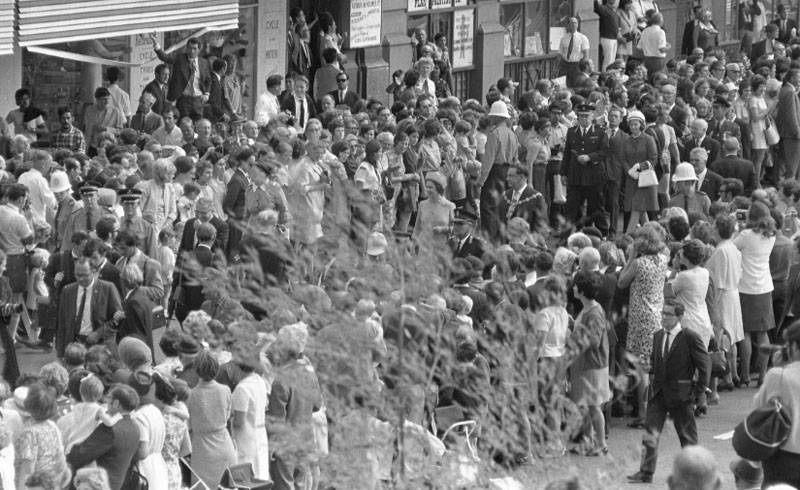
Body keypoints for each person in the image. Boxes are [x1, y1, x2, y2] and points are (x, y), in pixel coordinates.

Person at [627, 299, 711, 484]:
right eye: (663, 313)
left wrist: (697, 392)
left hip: (681, 395)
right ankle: (646, 472)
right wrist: (649, 367)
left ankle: (694, 475)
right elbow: (656, 363)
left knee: (687, 436)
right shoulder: (658, 335)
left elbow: (705, 365)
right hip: (659, 393)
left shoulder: (689, 337)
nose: (664, 317)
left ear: (679, 316)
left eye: (668, 314)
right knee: (650, 431)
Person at [618, 224, 669, 428]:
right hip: (657, 314)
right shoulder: (663, 259)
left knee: (642, 370)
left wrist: (630, 257)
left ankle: (644, 413)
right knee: (655, 366)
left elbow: (622, 282)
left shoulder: (639, 263)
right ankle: (657, 409)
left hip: (640, 318)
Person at [67, 384, 141, 490]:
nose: (106, 401)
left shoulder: (110, 429)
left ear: (116, 403)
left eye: (109, 398)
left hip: (95, 485)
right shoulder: (135, 427)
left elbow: (78, 456)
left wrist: (71, 447)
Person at [753, 320, 800, 488]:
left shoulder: (779, 375)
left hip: (785, 455)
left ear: (794, 346)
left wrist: (778, 367)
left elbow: (759, 406)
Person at [568, 270, 610, 456]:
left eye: (576, 285)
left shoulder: (593, 313)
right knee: (584, 405)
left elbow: (593, 341)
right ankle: (588, 441)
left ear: (582, 291)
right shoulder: (589, 308)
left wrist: (572, 336)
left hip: (591, 365)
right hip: (584, 364)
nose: (573, 287)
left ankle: (600, 443)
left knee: (593, 406)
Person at [735, 201, 777, 386]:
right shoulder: (772, 234)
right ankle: (762, 376)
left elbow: (733, 246)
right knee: (763, 332)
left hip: (745, 287)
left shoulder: (745, 235)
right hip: (764, 287)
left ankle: (744, 374)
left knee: (745, 333)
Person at [186, 350, 237, 490]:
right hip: (225, 446)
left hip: (202, 451)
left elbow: (188, 425)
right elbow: (228, 415)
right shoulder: (225, 390)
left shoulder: (191, 396)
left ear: (197, 370)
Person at [56, 258, 122, 358]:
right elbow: (62, 323)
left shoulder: (107, 288)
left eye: (84, 275)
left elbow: (117, 319)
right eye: (77, 275)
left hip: (99, 346)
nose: (80, 279)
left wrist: (98, 333)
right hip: (75, 345)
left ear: (94, 272)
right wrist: (60, 354)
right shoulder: (68, 290)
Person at [560, 103, 609, 236]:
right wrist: (563, 173)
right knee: (571, 207)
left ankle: (603, 233)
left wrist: (589, 157)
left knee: (596, 207)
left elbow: (604, 152)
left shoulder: (600, 132)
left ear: (592, 116)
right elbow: (567, 155)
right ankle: (565, 236)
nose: (584, 119)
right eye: (581, 116)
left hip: (593, 176)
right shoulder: (572, 132)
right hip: (575, 176)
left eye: (586, 116)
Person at [15, 383, 71, 490]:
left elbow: (27, 471)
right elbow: (60, 457)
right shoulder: (52, 425)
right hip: (50, 483)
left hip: (36, 485)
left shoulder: (29, 433)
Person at [230, 344, 270, 480]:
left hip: (246, 442)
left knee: (248, 480)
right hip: (259, 436)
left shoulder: (242, 389)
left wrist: (229, 420)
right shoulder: (260, 381)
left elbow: (239, 422)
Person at [151, 35, 211, 121]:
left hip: (199, 100)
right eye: (190, 48)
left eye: (194, 48)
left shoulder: (204, 62)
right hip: (184, 99)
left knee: (199, 124)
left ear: (199, 50)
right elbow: (165, 57)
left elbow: (208, 80)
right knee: (183, 123)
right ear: (186, 48)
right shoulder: (180, 58)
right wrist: (156, 45)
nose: (192, 51)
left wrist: (207, 94)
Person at [621, 110, 658, 234]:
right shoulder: (626, 140)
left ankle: (627, 236)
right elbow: (623, 158)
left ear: (641, 125)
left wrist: (639, 166)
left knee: (636, 208)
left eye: (636, 124)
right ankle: (651, 234)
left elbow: (653, 159)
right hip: (632, 179)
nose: (633, 127)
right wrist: (629, 171)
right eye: (631, 125)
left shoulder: (649, 139)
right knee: (640, 210)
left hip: (645, 179)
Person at [117, 264, 156, 362]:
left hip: (137, 354)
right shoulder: (142, 297)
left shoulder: (133, 302)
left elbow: (136, 331)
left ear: (123, 281)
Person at [558, 17, 590, 87]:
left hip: (576, 65)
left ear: (578, 25)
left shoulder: (583, 38)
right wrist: (558, 66)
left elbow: (586, 55)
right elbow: (560, 53)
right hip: (565, 65)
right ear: (568, 25)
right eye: (572, 23)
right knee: (563, 85)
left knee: (575, 84)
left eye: (575, 23)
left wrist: (584, 68)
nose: (574, 25)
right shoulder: (564, 38)